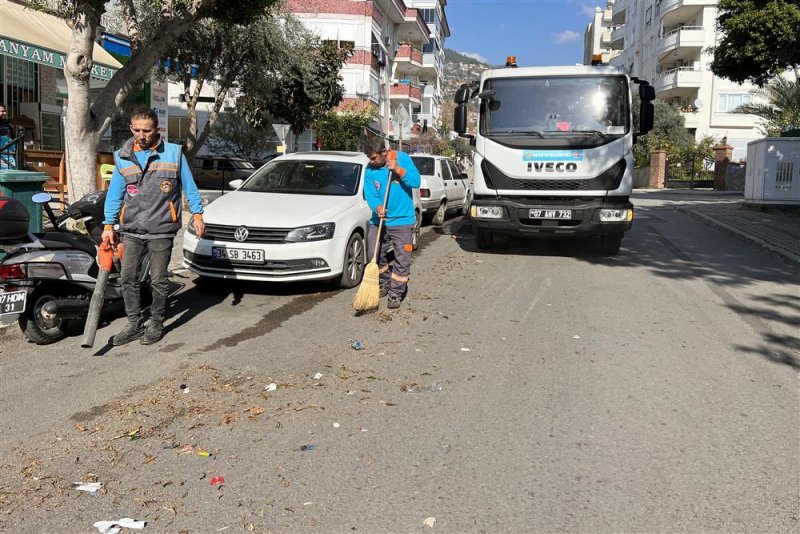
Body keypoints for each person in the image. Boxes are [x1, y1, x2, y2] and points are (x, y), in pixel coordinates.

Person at [102, 106, 206, 345]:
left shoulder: (173, 153)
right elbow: (115, 194)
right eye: (137, 130)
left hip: (161, 228)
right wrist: (108, 225)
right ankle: (134, 324)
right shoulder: (122, 156)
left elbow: (189, 187)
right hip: (132, 229)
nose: (141, 135)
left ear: (157, 130)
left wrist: (198, 214)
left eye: (146, 131)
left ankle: (156, 322)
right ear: (131, 128)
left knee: (158, 279)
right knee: (128, 278)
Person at [363, 138, 421, 309]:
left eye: (374, 158)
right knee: (374, 252)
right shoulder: (369, 169)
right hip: (379, 220)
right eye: (369, 158)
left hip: (402, 220)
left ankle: (396, 293)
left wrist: (398, 170)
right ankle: (385, 281)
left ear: (384, 152)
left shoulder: (401, 158)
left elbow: (416, 182)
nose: (371, 162)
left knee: (402, 258)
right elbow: (370, 194)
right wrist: (378, 207)